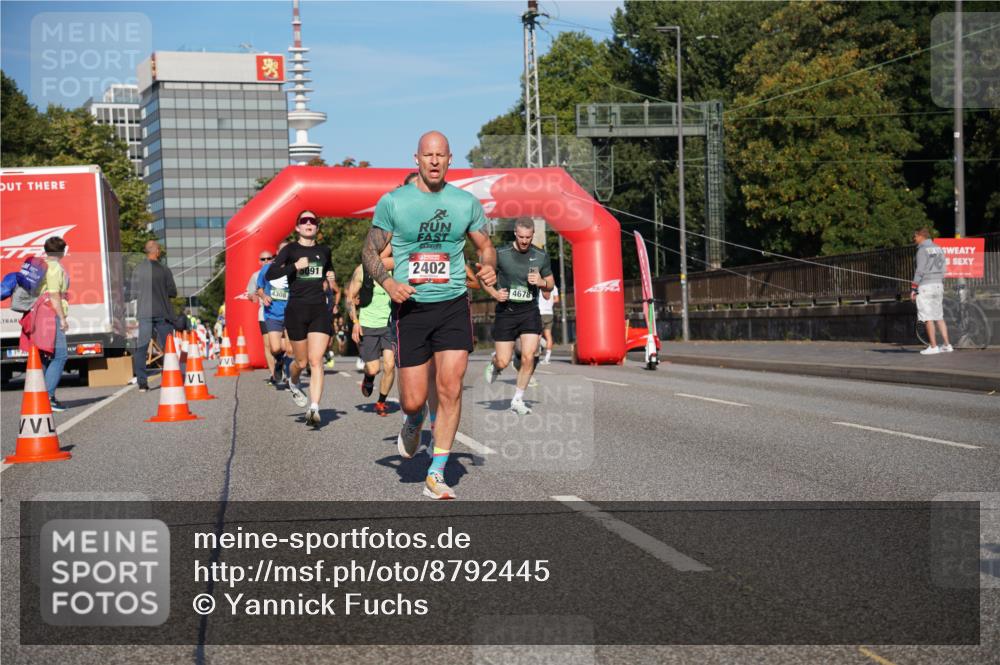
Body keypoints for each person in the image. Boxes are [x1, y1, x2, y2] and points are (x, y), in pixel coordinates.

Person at [362, 130, 497, 500]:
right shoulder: (394, 202)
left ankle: (436, 473)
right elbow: (369, 252)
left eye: (441, 155)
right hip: (412, 309)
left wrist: (487, 267)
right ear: (416, 159)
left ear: (450, 159)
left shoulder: (465, 203)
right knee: (412, 399)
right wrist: (388, 283)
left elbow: (486, 246)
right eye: (428, 155)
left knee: (451, 387)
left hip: (453, 303)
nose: (434, 161)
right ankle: (414, 418)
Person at [266, 210, 335, 426]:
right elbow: (271, 275)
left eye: (312, 221)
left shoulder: (324, 250)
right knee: (301, 362)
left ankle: (314, 408)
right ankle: (293, 382)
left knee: (316, 361)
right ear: (297, 227)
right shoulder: (290, 250)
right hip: (296, 310)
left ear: (316, 227)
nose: (308, 224)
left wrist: (331, 280)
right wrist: (294, 266)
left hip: (319, 310)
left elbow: (329, 273)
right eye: (304, 221)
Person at [482, 218, 554, 415]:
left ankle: (517, 399)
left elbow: (550, 284)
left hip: (529, 312)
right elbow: (485, 279)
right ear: (515, 233)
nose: (524, 241)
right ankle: (495, 363)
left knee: (529, 355)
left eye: (528, 238)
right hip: (506, 312)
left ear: (532, 236)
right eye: (521, 237)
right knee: (504, 361)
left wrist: (540, 281)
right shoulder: (501, 253)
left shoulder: (540, 255)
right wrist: (495, 294)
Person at [346, 258, 396, 416]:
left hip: (390, 324)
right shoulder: (363, 269)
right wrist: (355, 321)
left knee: (390, 365)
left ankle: (381, 401)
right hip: (368, 325)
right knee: (374, 369)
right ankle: (368, 377)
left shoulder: (397, 268)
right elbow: (350, 297)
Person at [130, 240, 178, 393]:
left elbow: (133, 293)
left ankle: (142, 383)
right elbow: (173, 292)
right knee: (168, 347)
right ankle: (170, 378)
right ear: (156, 251)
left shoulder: (137, 270)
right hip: (162, 313)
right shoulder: (164, 270)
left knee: (142, 348)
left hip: (144, 313)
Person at [38, 237, 70, 411]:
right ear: (62, 251)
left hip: (39, 314)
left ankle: (38, 395)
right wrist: (62, 318)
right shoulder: (55, 268)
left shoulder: (42, 266)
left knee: (43, 356)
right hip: (51, 314)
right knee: (60, 355)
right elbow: (54, 295)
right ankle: (48, 397)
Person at [911, 227, 952, 355]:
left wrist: (913, 288)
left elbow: (920, 270)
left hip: (926, 286)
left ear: (920, 236)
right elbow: (944, 268)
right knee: (939, 316)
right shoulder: (939, 248)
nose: (914, 239)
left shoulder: (922, 250)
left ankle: (933, 346)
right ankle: (947, 345)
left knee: (928, 317)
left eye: (915, 237)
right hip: (938, 284)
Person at [256, 241, 292, 385]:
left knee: (290, 350)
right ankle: (279, 360)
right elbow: (259, 288)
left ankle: (290, 379)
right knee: (275, 348)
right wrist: (264, 296)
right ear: (278, 252)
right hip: (272, 314)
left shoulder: (295, 269)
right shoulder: (267, 269)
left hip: (291, 314)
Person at [248, 250, 277, 382]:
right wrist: (253, 296)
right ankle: (274, 374)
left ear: (273, 259)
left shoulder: (280, 272)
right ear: (259, 262)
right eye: (263, 259)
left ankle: (281, 363)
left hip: (282, 313)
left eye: (268, 258)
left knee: (281, 346)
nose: (266, 261)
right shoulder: (255, 276)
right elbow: (250, 293)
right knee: (268, 345)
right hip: (264, 313)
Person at [539, 283, 558, 364]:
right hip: (549, 313)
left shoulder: (539, 285)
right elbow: (557, 299)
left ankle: (541, 348)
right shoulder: (554, 286)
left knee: (537, 335)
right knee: (548, 335)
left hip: (540, 312)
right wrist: (549, 302)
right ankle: (547, 358)